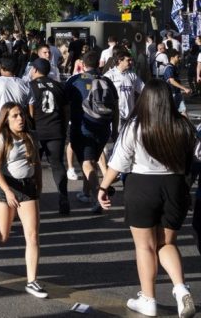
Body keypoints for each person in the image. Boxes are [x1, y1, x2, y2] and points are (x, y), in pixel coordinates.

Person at [98, 80, 196, 318]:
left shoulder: (135, 126)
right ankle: (180, 288)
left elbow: (118, 162)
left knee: (145, 246)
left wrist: (103, 187)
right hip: (175, 186)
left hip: (141, 185)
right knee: (167, 243)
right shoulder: (183, 125)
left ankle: (148, 298)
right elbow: (195, 158)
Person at [0, 102, 47, 299]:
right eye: (15, 116)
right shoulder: (2, 138)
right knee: (2, 236)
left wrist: (39, 185)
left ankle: (32, 281)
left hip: (27, 188)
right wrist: (7, 191)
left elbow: (38, 163)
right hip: (6, 188)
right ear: (6, 119)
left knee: (32, 236)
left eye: (21, 115)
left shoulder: (31, 136)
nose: (20, 119)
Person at [66, 49, 118, 213]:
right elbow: (115, 107)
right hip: (103, 128)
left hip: (83, 128)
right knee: (91, 161)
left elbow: (65, 105)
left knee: (87, 163)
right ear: (98, 64)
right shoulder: (107, 81)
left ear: (82, 64)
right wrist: (114, 129)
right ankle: (85, 192)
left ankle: (98, 197)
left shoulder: (74, 81)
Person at [28, 57, 70, 215]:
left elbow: (29, 112)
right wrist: (64, 128)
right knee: (57, 165)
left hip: (36, 131)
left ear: (36, 70)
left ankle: (31, 199)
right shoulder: (59, 86)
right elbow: (66, 110)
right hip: (56, 130)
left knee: (31, 166)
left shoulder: (30, 86)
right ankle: (63, 196)